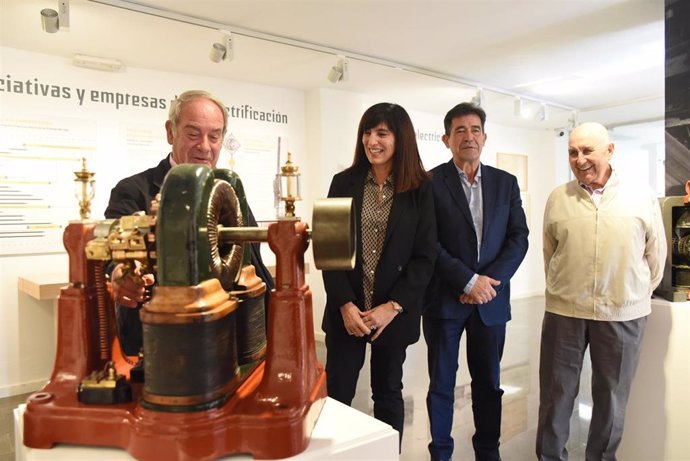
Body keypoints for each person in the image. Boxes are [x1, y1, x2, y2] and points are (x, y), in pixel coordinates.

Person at [104, 89, 274, 355]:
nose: (204, 146)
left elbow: (252, 260)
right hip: (162, 346)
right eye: (193, 134)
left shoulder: (230, 191)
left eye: (214, 136)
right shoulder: (132, 190)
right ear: (171, 132)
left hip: (232, 340)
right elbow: (111, 249)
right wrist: (122, 274)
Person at [536, 122, 666, 461]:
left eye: (587, 150)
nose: (579, 159)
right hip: (565, 312)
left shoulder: (641, 195)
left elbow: (656, 258)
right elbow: (550, 254)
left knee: (612, 398)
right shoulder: (558, 198)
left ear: (610, 151)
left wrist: (627, 293)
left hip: (623, 314)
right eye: (572, 152)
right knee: (555, 395)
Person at [321, 102, 437, 449]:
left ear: (400, 139)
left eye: (382, 133)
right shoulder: (343, 182)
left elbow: (424, 257)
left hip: (392, 315)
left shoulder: (421, 190)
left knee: (388, 393)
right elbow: (329, 250)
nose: (373, 140)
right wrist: (344, 304)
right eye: (368, 133)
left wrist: (394, 306)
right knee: (338, 394)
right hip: (348, 313)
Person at [424, 102, 529, 461]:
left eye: (474, 129)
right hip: (445, 299)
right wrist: (468, 281)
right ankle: (441, 452)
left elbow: (519, 237)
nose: (468, 136)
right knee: (441, 384)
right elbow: (428, 242)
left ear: (484, 136)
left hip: (491, 302)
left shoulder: (506, 183)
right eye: (460, 130)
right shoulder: (429, 183)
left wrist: (488, 282)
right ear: (446, 139)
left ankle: (488, 450)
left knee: (488, 384)